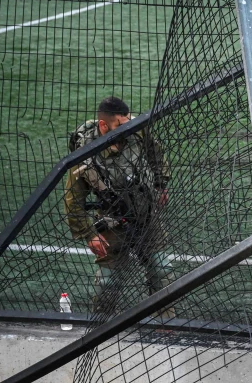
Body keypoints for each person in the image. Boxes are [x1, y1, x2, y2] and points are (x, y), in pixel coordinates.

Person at [65, 96, 174, 316]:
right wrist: (88, 234)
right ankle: (101, 323)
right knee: (109, 282)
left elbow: (156, 152)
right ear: (104, 126)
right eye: (119, 126)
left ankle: (166, 324)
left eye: (127, 123)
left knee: (161, 269)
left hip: (145, 212)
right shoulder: (85, 152)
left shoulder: (135, 129)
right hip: (111, 219)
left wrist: (161, 183)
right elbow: (73, 198)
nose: (126, 129)